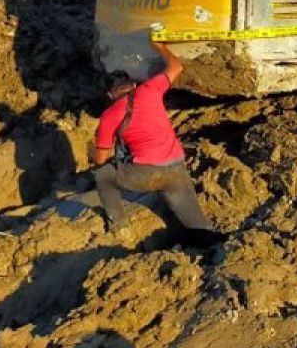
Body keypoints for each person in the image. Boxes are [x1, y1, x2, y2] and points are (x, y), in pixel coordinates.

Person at [93, 40, 221, 246]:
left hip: (146, 174)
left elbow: (101, 158)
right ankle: (212, 246)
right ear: (133, 85)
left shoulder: (109, 115)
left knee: (102, 176)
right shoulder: (151, 90)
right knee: (197, 225)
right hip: (177, 168)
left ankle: (119, 226)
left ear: (111, 94)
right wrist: (160, 46)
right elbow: (176, 67)